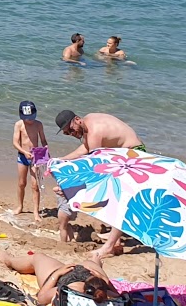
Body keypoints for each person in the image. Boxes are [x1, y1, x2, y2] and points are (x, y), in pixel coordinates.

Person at [55, 110, 145, 257]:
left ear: (77, 120)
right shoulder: (88, 122)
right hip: (125, 155)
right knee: (118, 197)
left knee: (120, 199)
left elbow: (93, 166)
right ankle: (115, 238)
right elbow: (85, 148)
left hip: (134, 155)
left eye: (71, 129)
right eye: (67, 133)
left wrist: (68, 184)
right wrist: (63, 159)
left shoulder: (94, 131)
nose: (71, 134)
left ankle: (110, 246)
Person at [0, 248, 118, 306]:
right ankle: (95, 260)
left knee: (38, 257)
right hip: (87, 274)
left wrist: (57, 274)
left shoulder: (69, 291)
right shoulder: (109, 295)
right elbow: (120, 295)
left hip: (66, 275)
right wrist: (104, 280)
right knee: (91, 264)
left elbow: (42, 298)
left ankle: (8, 260)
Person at [13, 102, 49, 216]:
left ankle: (35, 212)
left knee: (35, 185)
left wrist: (45, 147)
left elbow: (43, 140)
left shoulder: (38, 125)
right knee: (21, 183)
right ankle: (20, 206)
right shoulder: (19, 125)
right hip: (23, 156)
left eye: (32, 118)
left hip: (35, 157)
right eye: (27, 118)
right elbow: (15, 142)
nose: (30, 121)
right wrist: (24, 152)